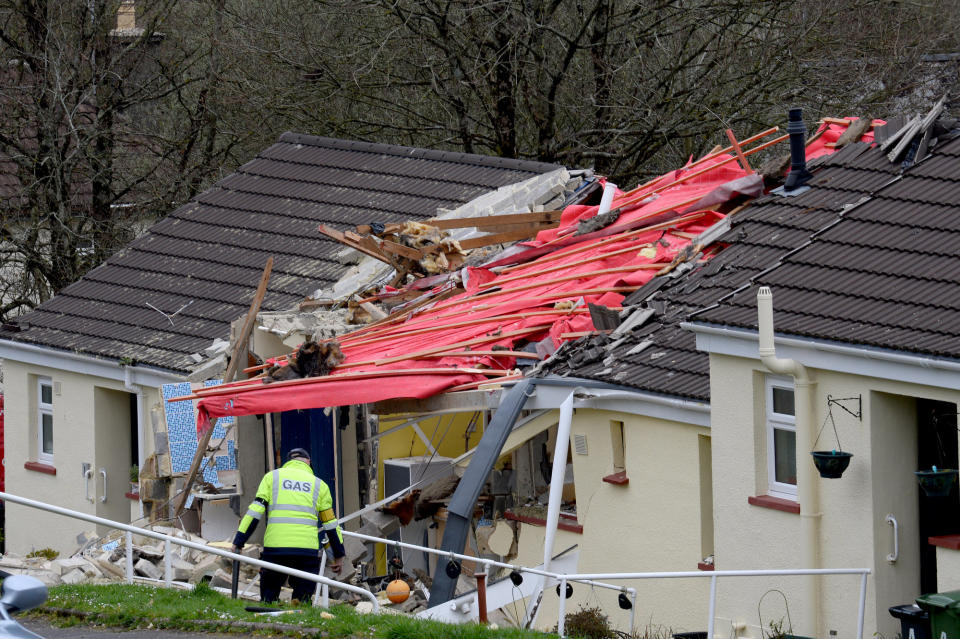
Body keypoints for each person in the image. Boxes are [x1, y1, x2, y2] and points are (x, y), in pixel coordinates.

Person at [232, 448, 345, 603]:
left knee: (268, 598)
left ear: (288, 462)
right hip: (306, 551)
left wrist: (239, 541)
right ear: (308, 463)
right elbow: (331, 525)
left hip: (275, 548)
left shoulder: (272, 477)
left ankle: (267, 622)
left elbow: (255, 512)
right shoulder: (320, 485)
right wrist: (338, 555)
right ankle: (300, 622)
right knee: (302, 600)